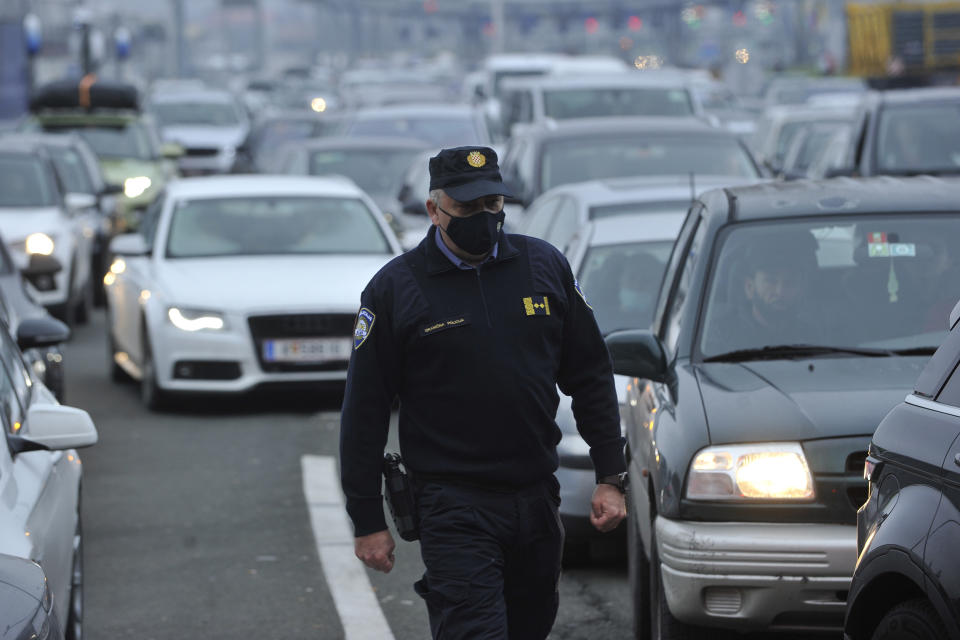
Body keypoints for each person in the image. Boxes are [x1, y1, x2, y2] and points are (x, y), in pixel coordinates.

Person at [339, 146, 627, 639]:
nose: (483, 218)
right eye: (468, 208)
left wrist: (609, 474)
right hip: (453, 504)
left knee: (529, 627)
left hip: (537, 497)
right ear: (435, 210)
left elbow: (591, 375)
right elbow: (364, 411)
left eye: (492, 206)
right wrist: (366, 519)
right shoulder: (396, 289)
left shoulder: (544, 267)